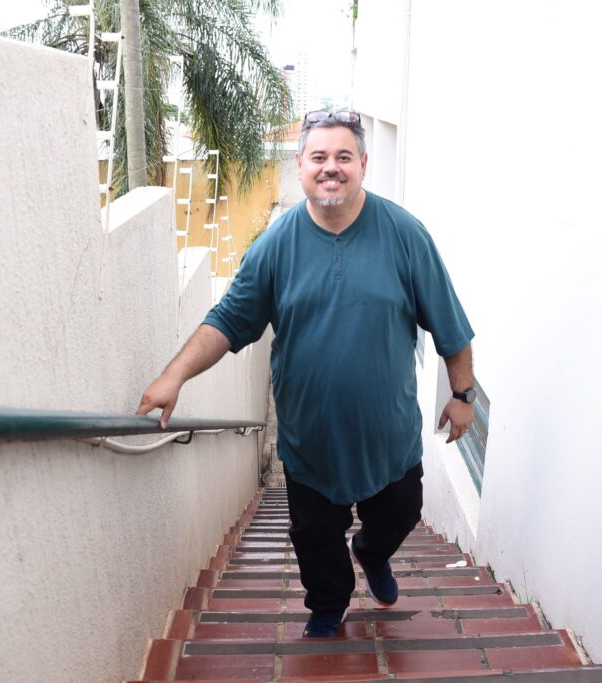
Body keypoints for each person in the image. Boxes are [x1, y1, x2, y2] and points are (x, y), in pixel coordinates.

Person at [136, 109, 476, 638]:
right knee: (315, 536)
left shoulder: (406, 236)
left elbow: (450, 325)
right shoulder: (277, 245)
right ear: (301, 166)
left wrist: (463, 394)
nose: (331, 168)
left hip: (389, 441)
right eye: (319, 157)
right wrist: (174, 376)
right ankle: (327, 605)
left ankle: (371, 552)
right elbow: (227, 321)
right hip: (309, 442)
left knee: (400, 515)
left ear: (364, 164)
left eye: (344, 157)